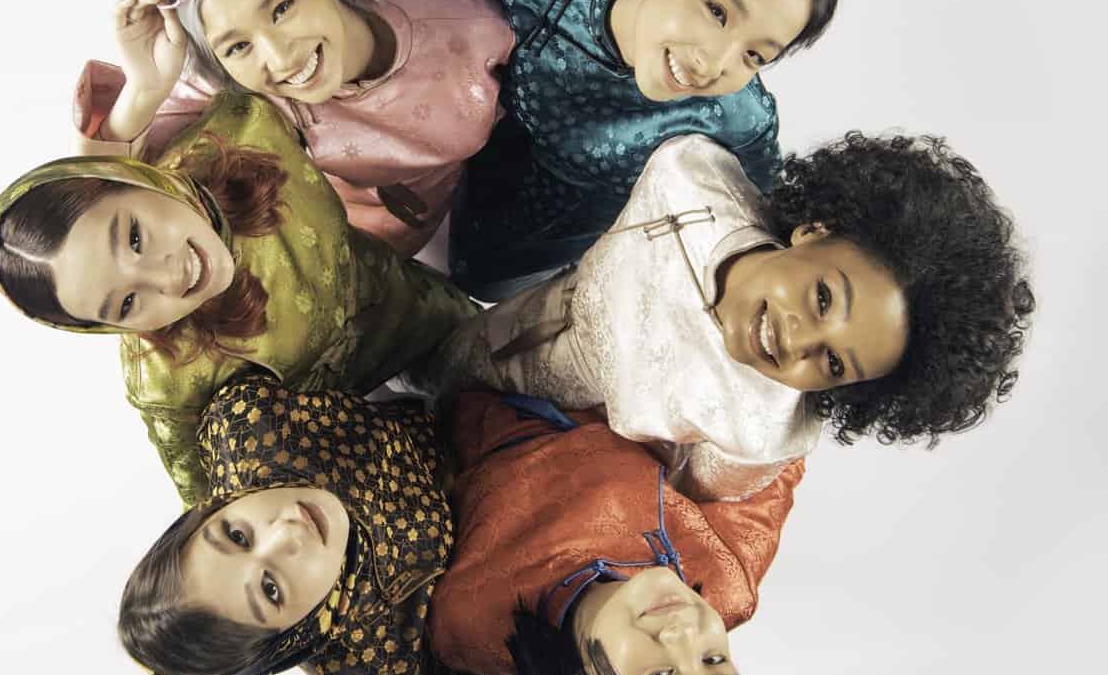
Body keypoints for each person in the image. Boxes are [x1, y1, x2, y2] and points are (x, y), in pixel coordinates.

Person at [118, 378, 802, 675]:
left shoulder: (472, 616)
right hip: (601, 370)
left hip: (472, 379)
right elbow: (776, 447)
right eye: (713, 659)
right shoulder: (728, 574)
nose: (684, 635)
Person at [411, 131, 1035, 499]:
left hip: (502, 450)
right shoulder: (693, 179)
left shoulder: (763, 433)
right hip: (485, 324)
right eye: (822, 298)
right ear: (815, 231)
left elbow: (669, 501)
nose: (798, 341)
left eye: (834, 363)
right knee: (407, 352)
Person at [0, 93, 478, 506]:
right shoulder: (165, 382)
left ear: (139, 179)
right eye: (128, 304)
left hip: (413, 304)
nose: (165, 275)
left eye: (134, 237)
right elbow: (212, 506)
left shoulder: (245, 128)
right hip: (355, 430)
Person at [431, 0, 842, 297]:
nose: (714, 63)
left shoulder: (740, 121)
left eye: (754, 55)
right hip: (408, 194)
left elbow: (762, 231)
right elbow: (417, 19)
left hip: (524, 290)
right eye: (717, 11)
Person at [74, 0, 514, 255]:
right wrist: (147, 88)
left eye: (282, 9)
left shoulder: (461, 23)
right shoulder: (226, 83)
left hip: (466, 229)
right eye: (238, 45)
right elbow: (97, 205)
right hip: (337, 262)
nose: (280, 58)